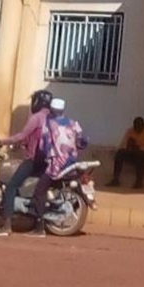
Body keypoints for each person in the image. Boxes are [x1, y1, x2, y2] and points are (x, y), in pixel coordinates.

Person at [0, 89, 53, 237]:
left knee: (11, 186)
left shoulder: (36, 118)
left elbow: (22, 135)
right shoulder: (53, 118)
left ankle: (7, 225)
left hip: (33, 160)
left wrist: (2, 142)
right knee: (39, 189)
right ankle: (38, 225)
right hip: (48, 161)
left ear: (37, 102)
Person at [31, 98, 87, 229]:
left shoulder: (48, 124)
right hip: (71, 163)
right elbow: (82, 142)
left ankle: (39, 226)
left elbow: (43, 146)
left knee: (39, 190)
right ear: (63, 110)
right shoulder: (73, 123)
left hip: (56, 165)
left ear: (51, 110)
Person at [108, 116, 144, 188]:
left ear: (143, 126)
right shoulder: (130, 131)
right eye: (135, 126)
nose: (137, 128)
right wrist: (128, 147)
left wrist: (138, 147)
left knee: (141, 156)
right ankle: (115, 179)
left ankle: (139, 182)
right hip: (132, 153)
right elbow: (123, 144)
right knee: (119, 153)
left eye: (139, 126)